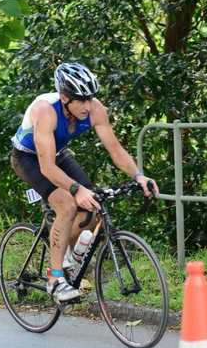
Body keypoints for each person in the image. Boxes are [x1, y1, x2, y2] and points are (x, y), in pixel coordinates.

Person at [10, 62, 159, 305]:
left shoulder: (95, 110)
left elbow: (116, 150)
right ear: (64, 97)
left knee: (92, 206)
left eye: (89, 98)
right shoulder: (45, 110)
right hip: (28, 159)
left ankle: (66, 254)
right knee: (67, 205)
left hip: (58, 154)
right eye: (80, 100)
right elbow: (46, 166)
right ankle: (55, 278)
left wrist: (139, 176)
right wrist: (76, 189)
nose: (87, 106)